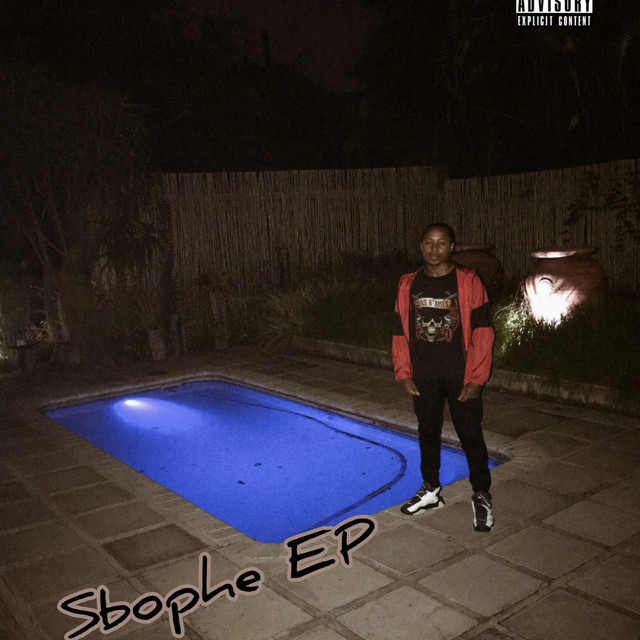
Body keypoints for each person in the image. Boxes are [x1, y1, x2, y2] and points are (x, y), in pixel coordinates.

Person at [391, 223, 494, 531]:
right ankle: (431, 489)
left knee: (470, 435)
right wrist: (404, 373)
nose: (434, 249)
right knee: (428, 433)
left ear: (452, 247)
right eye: (428, 242)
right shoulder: (408, 283)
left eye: (441, 242)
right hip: (424, 375)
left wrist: (476, 379)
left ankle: (481, 493)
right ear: (420, 245)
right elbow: (399, 329)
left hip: (460, 375)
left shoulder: (469, 281)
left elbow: (483, 331)